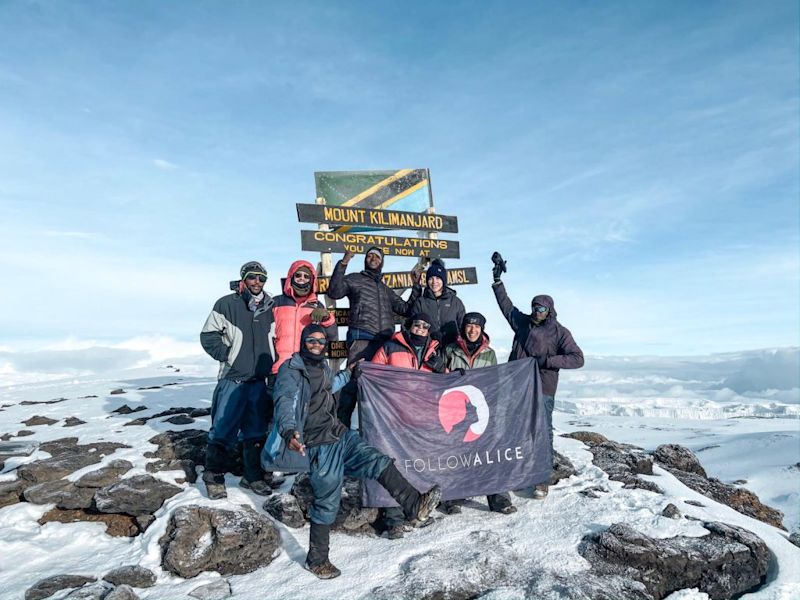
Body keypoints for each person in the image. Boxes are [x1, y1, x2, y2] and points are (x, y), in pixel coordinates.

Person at [265, 324, 442, 579]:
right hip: (317, 445)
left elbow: (328, 386)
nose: (316, 344)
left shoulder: (322, 366)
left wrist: (347, 374)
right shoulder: (291, 370)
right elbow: (285, 401)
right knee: (327, 499)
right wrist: (288, 431)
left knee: (378, 461)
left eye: (320, 340)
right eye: (311, 340)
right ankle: (317, 560)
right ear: (303, 342)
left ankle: (414, 505)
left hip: (339, 435)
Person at [491, 254, 584, 499]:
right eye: (534, 306)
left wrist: (547, 362)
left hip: (543, 388)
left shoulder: (559, 332)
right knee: (515, 430)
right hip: (518, 386)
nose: (536, 311)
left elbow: (577, 358)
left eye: (541, 308)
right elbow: (506, 307)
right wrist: (497, 280)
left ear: (549, 309)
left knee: (542, 431)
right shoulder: (522, 323)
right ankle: (519, 472)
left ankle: (542, 478)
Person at [200, 261, 276, 499]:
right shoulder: (226, 304)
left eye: (261, 279)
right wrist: (228, 356)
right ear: (243, 279)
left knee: (255, 432)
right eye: (252, 278)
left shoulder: (270, 306)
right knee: (222, 429)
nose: (257, 283)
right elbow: (208, 336)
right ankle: (213, 477)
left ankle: (251, 477)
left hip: (258, 380)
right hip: (232, 379)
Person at [326, 246, 421, 427]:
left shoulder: (385, 289)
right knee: (353, 382)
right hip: (362, 338)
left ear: (382, 261)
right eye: (369, 255)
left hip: (384, 344)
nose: (373, 258)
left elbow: (406, 309)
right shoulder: (355, 279)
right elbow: (334, 291)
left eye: (377, 256)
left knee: (381, 388)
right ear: (365, 259)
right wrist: (344, 262)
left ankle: (377, 432)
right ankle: (341, 430)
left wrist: (416, 286)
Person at [371, 312, 446, 538]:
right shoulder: (390, 347)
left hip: (422, 417)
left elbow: (447, 383)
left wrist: (442, 369)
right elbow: (373, 372)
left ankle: (414, 511)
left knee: (417, 464)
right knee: (394, 464)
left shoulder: (434, 351)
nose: (420, 329)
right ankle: (393, 519)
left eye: (425, 326)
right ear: (410, 326)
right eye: (417, 325)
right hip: (393, 414)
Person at [443, 311, 517, 515]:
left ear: (482, 329)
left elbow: (493, 381)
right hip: (456, 411)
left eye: (477, 326)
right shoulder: (450, 350)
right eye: (469, 326)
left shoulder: (489, 353)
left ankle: (498, 497)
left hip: (479, 409)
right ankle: (453, 496)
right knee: (456, 455)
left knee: (489, 454)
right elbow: (440, 379)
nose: (472, 330)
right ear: (463, 328)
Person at [271, 260, 337, 374]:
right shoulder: (276, 303)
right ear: (291, 277)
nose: (302, 278)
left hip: (307, 369)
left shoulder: (317, 306)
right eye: (298, 275)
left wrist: (327, 319)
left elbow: (331, 337)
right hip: (279, 368)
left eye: (306, 276)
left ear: (311, 281)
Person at [406, 258, 465, 346]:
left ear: (443, 280)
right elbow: (411, 326)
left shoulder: (455, 302)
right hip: (427, 350)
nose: (434, 282)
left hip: (451, 350)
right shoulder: (421, 302)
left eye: (438, 278)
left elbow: (463, 327)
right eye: (431, 278)